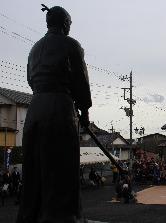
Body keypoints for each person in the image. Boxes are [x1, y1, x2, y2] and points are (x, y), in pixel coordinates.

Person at [16, 5, 92, 223]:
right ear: (65, 23)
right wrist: (84, 111)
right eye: (69, 23)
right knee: (62, 165)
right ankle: (63, 216)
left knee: (35, 166)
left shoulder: (34, 49)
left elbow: (31, 79)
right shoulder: (71, 45)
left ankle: (30, 215)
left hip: (35, 107)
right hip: (59, 107)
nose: (70, 27)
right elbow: (81, 80)